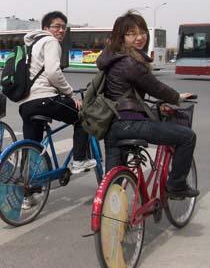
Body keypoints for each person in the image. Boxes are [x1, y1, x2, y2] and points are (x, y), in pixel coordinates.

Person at [96, 11, 199, 198]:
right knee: (187, 137)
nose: (139, 37)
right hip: (130, 124)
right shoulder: (130, 62)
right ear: (121, 37)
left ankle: (108, 217)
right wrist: (177, 97)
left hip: (112, 125)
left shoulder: (111, 58)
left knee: (112, 182)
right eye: (131, 33)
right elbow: (156, 88)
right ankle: (176, 186)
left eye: (142, 31)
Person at [19, 11, 97, 176]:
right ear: (46, 28)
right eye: (57, 26)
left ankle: (28, 192)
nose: (61, 30)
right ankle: (79, 160)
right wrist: (70, 94)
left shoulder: (31, 45)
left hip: (26, 104)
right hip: (44, 99)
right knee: (84, 115)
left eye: (64, 27)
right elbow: (53, 73)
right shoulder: (51, 41)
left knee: (32, 147)